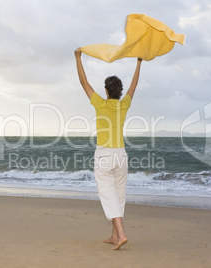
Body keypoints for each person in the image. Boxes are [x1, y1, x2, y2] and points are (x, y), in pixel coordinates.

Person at [74, 47, 142, 250]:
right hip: (121, 155)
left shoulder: (99, 103)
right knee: (119, 195)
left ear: (105, 90)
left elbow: (83, 82)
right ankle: (114, 235)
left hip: (104, 154)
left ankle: (121, 234)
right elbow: (134, 84)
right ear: (120, 92)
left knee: (107, 194)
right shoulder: (125, 104)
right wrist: (139, 63)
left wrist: (78, 58)